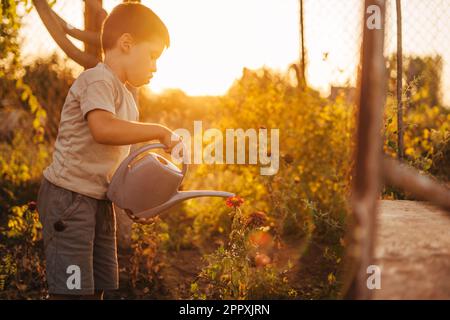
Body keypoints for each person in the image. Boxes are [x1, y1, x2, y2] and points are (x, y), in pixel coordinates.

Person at [36, 3, 179, 300]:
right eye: (152, 56)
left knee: (100, 283)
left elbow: (121, 161)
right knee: (73, 290)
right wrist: (157, 129)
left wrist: (137, 201)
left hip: (99, 202)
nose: (154, 66)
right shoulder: (97, 79)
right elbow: (103, 129)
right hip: (70, 198)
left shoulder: (126, 96)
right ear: (126, 43)